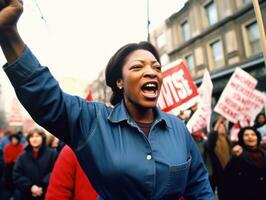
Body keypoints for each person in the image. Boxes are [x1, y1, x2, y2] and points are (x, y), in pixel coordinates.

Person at [0, 1, 213, 199]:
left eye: (156, 67)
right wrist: (9, 33)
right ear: (120, 82)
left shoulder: (178, 128)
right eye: (138, 67)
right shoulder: (93, 121)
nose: (151, 72)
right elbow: (46, 98)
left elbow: (199, 185)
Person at [12, 128, 58, 200]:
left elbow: (56, 171)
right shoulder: (22, 156)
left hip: (47, 193)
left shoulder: (52, 154)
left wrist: (42, 185)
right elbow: (17, 174)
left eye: (37, 136)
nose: (34, 139)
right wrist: (31, 186)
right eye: (32, 137)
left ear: (43, 138)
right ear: (28, 139)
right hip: (27, 195)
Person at [223, 127, 266, 200]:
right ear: (242, 138)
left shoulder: (264, 153)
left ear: (257, 137)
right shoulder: (238, 154)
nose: (250, 137)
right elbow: (227, 179)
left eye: (253, 134)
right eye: (246, 135)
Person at [206, 116, 231, 200]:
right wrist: (218, 123)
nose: (222, 127)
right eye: (219, 126)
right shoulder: (212, 138)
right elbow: (209, 146)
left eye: (223, 126)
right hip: (215, 172)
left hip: (226, 171)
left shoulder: (227, 139)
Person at [3, 132, 24, 199]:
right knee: (10, 182)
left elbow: (23, 157)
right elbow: (6, 158)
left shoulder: (21, 147)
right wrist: (12, 160)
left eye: (15, 139)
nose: (14, 141)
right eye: (13, 139)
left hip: (20, 167)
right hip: (10, 167)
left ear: (18, 140)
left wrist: (17, 160)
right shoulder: (7, 147)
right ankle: (10, 194)